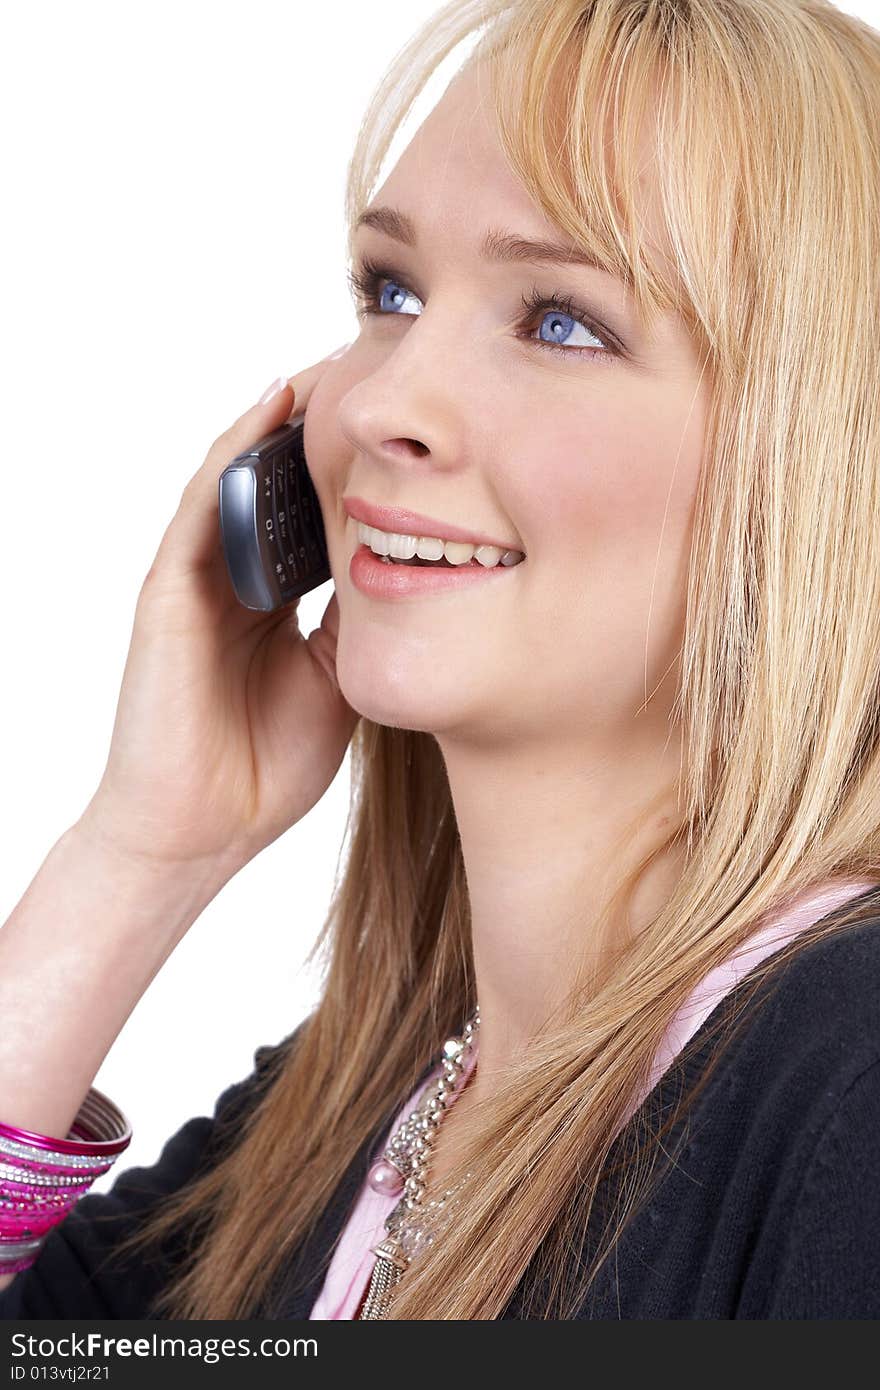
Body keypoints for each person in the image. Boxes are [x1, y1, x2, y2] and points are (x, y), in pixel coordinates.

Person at [3, 0, 880, 1321]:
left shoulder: (848, 1092)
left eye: (562, 322)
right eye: (390, 293)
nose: (377, 405)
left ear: (812, 463)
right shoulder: (360, 1111)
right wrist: (140, 854)